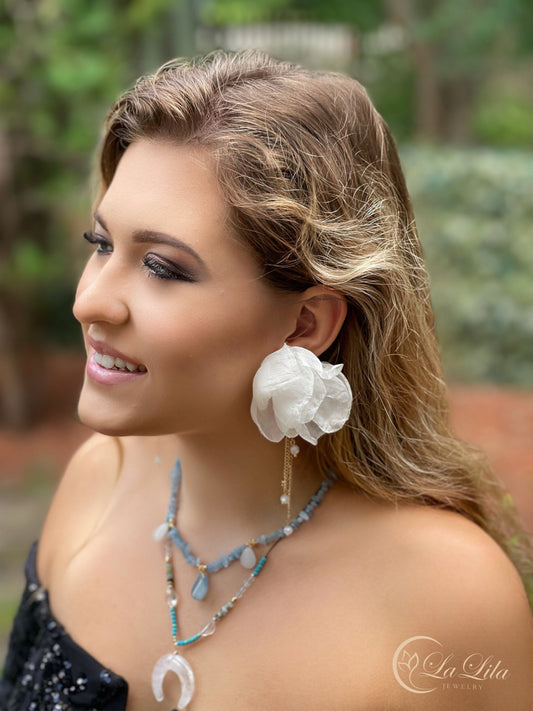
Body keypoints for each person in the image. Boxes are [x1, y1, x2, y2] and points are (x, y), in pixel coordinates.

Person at [1, 49, 532, 711]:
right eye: (101, 244)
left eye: (163, 268)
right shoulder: (95, 484)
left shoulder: (449, 595)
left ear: (307, 323)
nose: (90, 303)